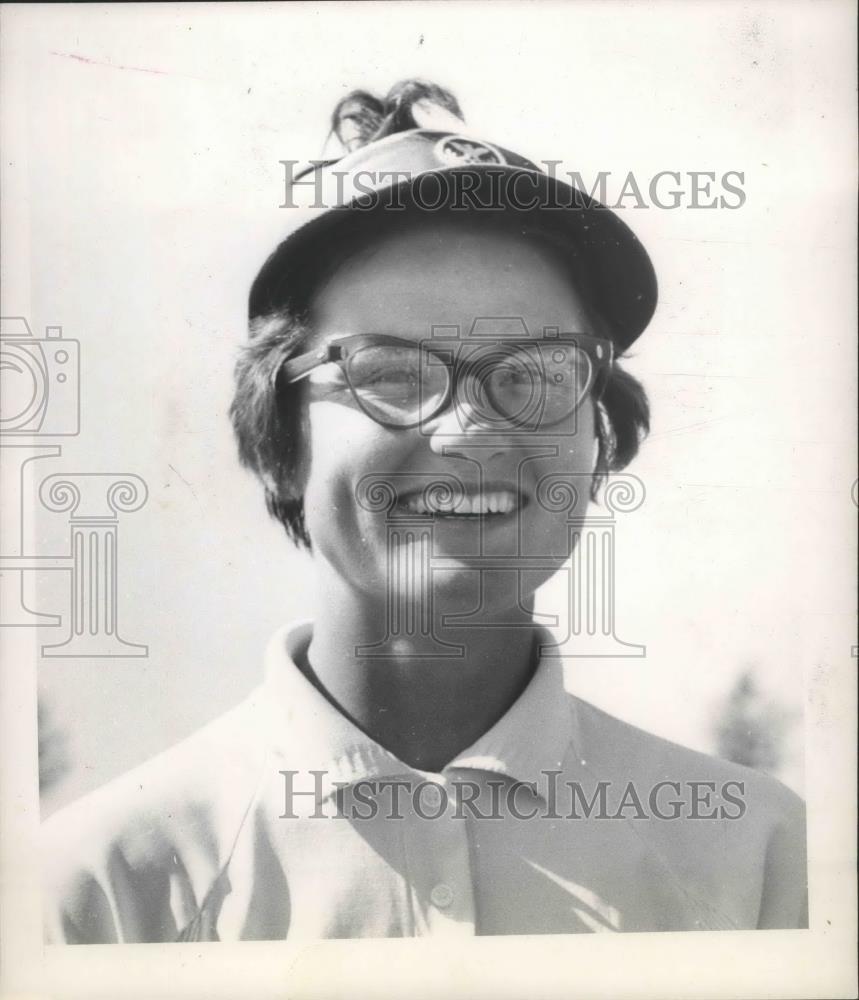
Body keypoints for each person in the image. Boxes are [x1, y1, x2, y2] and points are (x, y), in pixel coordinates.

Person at [41, 80, 807, 942]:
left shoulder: (762, 863)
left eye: (535, 373)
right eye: (390, 373)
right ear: (277, 443)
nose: (467, 430)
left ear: (600, 440)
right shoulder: (96, 890)